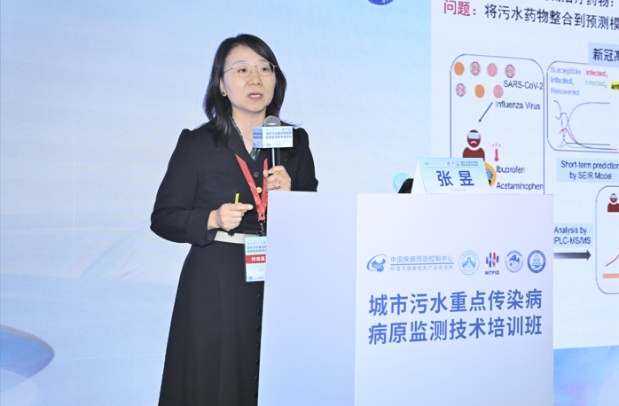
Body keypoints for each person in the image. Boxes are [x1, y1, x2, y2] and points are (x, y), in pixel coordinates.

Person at [151, 33, 318, 405]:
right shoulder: (198, 144)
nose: (255, 79)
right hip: (216, 278)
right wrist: (211, 218)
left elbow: (315, 219)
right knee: (214, 379)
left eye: (264, 69)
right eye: (242, 70)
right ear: (222, 85)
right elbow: (163, 217)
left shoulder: (294, 142)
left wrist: (293, 197)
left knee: (273, 378)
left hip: (280, 274)